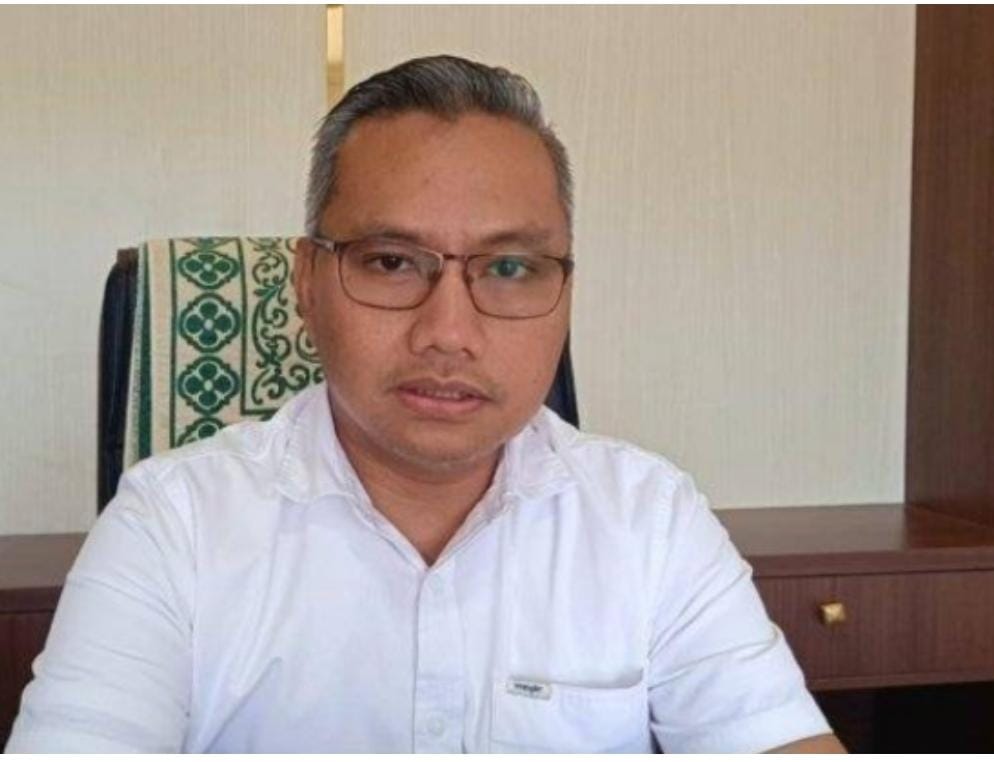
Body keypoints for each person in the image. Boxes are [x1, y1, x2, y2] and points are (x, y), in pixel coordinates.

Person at [6, 55, 843, 753]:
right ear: (307, 282)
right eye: (391, 262)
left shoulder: (649, 519)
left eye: (509, 269)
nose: (449, 333)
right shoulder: (172, 523)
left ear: (563, 294)